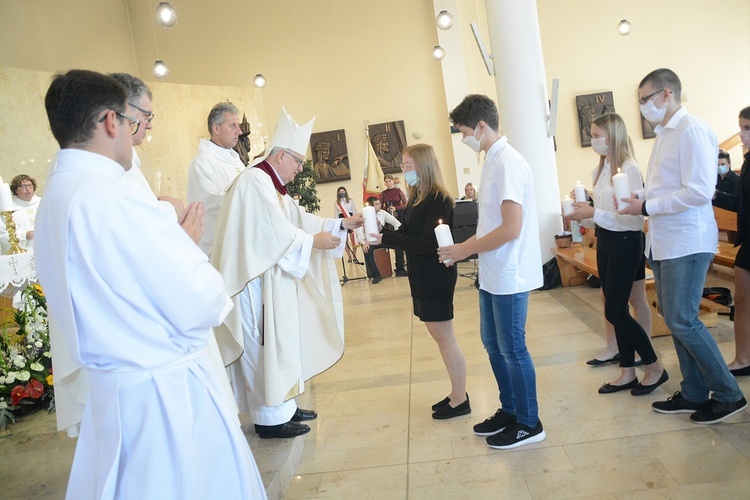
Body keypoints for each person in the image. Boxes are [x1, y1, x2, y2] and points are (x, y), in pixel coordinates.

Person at [36, 69, 265, 498]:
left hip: (114, 391)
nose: (136, 131)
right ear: (110, 122)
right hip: (162, 402)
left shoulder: (55, 196)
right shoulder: (112, 196)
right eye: (129, 121)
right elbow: (203, 300)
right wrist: (184, 243)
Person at [210, 107, 362, 439]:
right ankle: (270, 419)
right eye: (297, 162)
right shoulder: (254, 181)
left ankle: (286, 406)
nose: (299, 169)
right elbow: (272, 234)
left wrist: (339, 224)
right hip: (254, 284)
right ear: (280, 157)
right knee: (264, 346)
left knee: (280, 343)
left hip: (271, 280)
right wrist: (312, 241)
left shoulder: (269, 183)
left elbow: (296, 219)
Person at [620, 68, 746, 424]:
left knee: (683, 318)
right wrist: (640, 195)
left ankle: (728, 394)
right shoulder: (665, 134)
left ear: (666, 95)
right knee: (674, 319)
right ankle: (693, 392)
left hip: (687, 239)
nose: (643, 106)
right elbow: (663, 185)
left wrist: (646, 207)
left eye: (645, 99)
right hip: (664, 240)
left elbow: (699, 191)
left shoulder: (693, 130)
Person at [442, 94, 545, 450]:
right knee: (493, 343)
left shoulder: (508, 163)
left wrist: (464, 249)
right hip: (493, 271)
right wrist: (465, 251)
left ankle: (529, 422)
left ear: (482, 126)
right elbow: (490, 224)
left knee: (513, 347)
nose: (464, 138)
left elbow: (510, 228)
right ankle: (511, 409)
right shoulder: (492, 160)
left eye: (465, 131)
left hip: (510, 271)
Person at [566, 113, 667, 395]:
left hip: (626, 241)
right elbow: (601, 216)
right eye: (592, 134)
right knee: (616, 306)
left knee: (615, 310)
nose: (593, 139)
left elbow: (633, 219)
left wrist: (594, 213)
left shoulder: (629, 168)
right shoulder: (602, 169)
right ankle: (627, 372)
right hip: (607, 240)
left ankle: (655, 366)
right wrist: (581, 217)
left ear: (613, 135)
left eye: (597, 134)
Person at [371, 144, 468, 420]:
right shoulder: (416, 197)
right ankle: (455, 392)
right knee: (439, 337)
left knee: (445, 337)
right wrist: (387, 228)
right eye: (403, 165)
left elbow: (426, 242)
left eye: (409, 165)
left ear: (424, 166)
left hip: (435, 274)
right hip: (421, 274)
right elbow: (410, 232)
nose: (404, 170)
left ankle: (460, 399)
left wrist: (386, 240)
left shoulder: (438, 199)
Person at [109, 72, 185, 221]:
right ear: (126, 111)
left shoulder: (124, 158)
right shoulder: (112, 160)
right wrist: (172, 210)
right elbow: (132, 220)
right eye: (146, 116)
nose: (149, 126)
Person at [712, 106, 750, 376]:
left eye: (747, 128)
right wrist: (714, 196)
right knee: (741, 300)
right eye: (741, 128)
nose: (742, 134)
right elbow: (741, 203)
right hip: (748, 242)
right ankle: (743, 358)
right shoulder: (747, 162)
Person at [187, 102, 245, 255]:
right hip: (220, 250)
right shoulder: (203, 162)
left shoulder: (235, 158)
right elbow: (213, 205)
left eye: (238, 125)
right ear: (216, 128)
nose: (239, 131)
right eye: (232, 126)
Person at [358, 196, 401, 284]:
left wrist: (398, 233)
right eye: (377, 204)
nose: (379, 205)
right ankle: (376, 274)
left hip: (381, 238)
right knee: (367, 250)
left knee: (399, 244)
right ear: (371, 206)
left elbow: (395, 222)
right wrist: (364, 242)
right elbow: (358, 230)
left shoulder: (382, 213)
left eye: (379, 203)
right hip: (371, 241)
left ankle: (400, 269)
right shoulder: (363, 215)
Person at [0, 174, 41, 252]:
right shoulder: (8, 208)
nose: (28, 189)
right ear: (16, 190)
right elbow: (3, 235)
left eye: (30, 185)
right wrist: (25, 235)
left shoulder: (42, 203)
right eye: (23, 186)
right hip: (23, 253)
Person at [380, 173, 407, 276]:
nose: (388, 183)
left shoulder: (398, 191)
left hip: (399, 215)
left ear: (392, 181)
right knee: (393, 240)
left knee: (401, 239)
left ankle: (401, 265)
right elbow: (380, 206)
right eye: (386, 181)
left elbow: (405, 203)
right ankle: (398, 266)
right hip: (389, 217)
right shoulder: (383, 193)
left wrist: (396, 208)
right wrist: (387, 209)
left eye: (389, 181)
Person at [334, 185, 360, 262]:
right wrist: (336, 223)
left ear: (345, 192)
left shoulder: (351, 201)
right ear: (338, 193)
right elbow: (336, 214)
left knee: (353, 238)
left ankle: (354, 255)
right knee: (345, 239)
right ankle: (349, 256)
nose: (342, 193)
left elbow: (354, 210)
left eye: (343, 191)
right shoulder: (337, 203)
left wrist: (357, 220)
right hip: (342, 220)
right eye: (340, 192)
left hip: (351, 218)